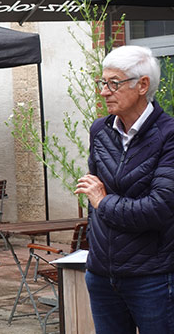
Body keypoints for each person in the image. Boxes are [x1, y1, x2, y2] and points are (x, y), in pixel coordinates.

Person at [75, 45, 174, 334]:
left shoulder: (169, 135)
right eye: (102, 82)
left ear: (142, 85)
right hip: (101, 275)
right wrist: (95, 254)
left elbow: (158, 208)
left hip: (152, 277)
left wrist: (103, 202)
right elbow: (93, 191)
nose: (103, 92)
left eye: (113, 83)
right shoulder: (100, 131)